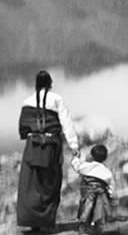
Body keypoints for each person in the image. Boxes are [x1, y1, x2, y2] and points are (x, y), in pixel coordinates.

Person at [17, 70, 80, 232]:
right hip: (51, 146)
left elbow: (23, 129)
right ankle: (45, 221)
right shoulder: (57, 100)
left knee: (31, 184)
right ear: (50, 83)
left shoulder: (27, 102)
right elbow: (67, 124)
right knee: (49, 183)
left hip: (32, 147)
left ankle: (33, 224)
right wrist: (74, 146)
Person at [73, 144, 114, 232]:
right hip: (101, 193)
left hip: (87, 192)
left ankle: (83, 227)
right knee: (99, 211)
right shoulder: (107, 171)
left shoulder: (87, 166)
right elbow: (111, 185)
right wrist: (110, 194)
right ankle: (97, 227)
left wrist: (76, 158)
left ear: (91, 155)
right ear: (105, 158)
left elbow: (77, 167)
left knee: (85, 209)